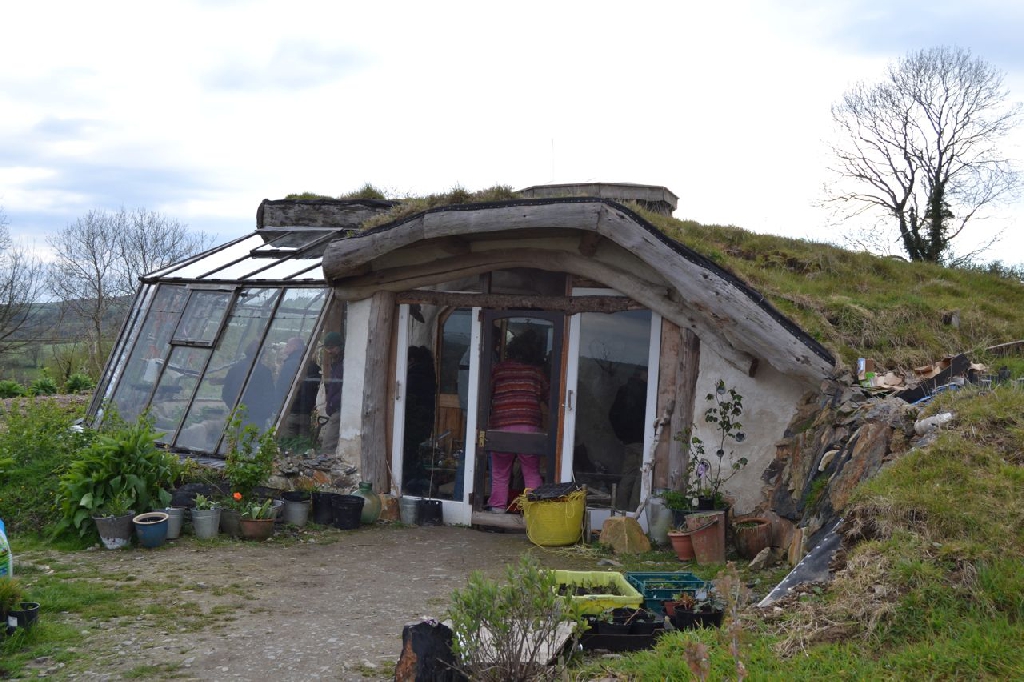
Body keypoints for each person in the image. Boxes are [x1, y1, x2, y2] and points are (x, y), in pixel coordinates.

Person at [486, 329, 548, 512]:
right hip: (529, 428)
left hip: (501, 427)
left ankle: (497, 511)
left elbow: (486, 394)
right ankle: (535, 513)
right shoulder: (536, 372)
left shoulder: (499, 370)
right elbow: (551, 398)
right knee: (531, 471)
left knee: (499, 473)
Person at [609, 367, 648, 510]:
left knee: (627, 476)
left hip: (628, 441)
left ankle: (619, 510)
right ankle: (633, 513)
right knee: (640, 477)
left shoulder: (624, 390)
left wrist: (621, 435)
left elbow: (612, 414)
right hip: (642, 440)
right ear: (643, 374)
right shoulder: (647, 390)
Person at [277, 337, 321, 438]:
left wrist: (279, 405)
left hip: (291, 410)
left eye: (288, 345)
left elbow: (282, 387)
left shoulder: (289, 365)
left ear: (294, 347)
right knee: (303, 444)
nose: (285, 349)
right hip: (306, 412)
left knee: (287, 443)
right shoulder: (311, 364)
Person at [319, 331, 344, 453]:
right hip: (336, 407)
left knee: (328, 446)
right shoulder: (337, 362)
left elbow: (345, 386)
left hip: (339, 408)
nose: (329, 351)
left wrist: (333, 403)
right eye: (327, 348)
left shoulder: (344, 363)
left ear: (339, 346)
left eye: (331, 348)